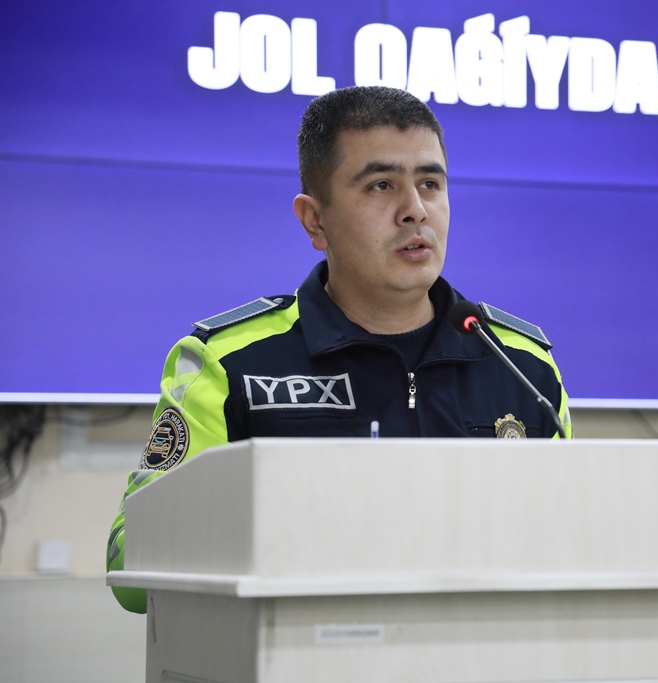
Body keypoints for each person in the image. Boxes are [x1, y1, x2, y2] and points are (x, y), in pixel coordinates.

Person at [106, 86, 572, 613]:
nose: (415, 210)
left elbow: (576, 541)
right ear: (315, 220)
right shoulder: (231, 363)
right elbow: (129, 569)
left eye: (430, 183)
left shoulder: (523, 363)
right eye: (380, 185)